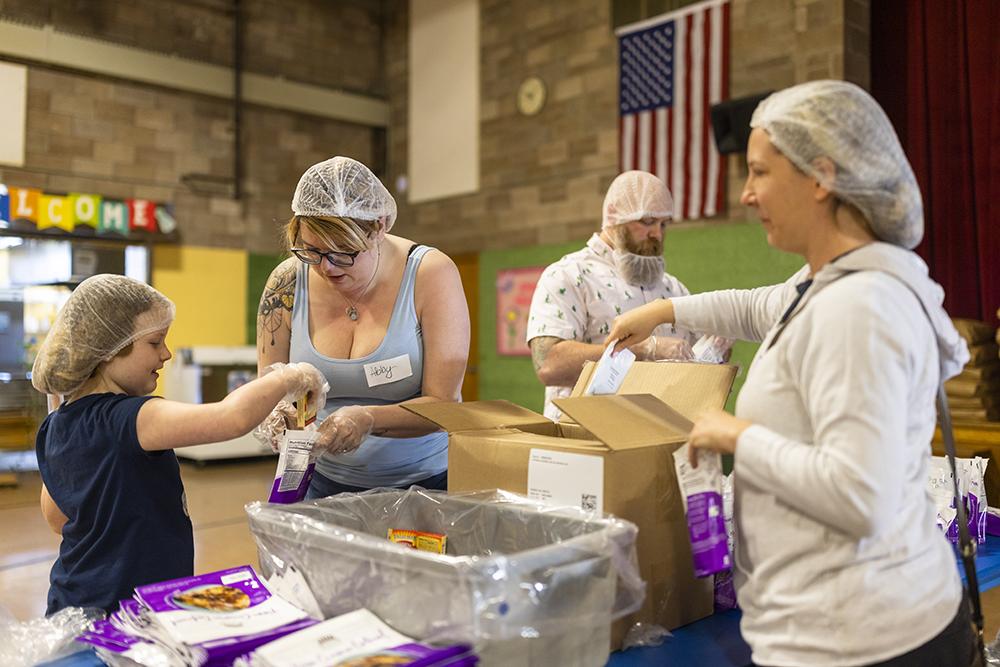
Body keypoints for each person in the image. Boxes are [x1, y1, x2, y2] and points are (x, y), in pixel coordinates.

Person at [607, 80, 974, 666]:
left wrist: (736, 435)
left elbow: (862, 497)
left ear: (821, 177)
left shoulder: (859, 307)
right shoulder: (825, 284)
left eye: (759, 172)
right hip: (836, 630)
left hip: (868, 642)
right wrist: (663, 310)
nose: (747, 195)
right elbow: (754, 306)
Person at [32, 274, 327, 615]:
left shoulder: (56, 424)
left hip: (73, 600)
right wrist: (289, 376)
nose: (167, 354)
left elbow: (57, 518)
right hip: (127, 609)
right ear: (111, 349)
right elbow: (229, 418)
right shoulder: (130, 418)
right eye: (155, 343)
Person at [255, 156, 469, 498]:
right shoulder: (287, 281)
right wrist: (276, 410)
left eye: (343, 252)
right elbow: (270, 382)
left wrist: (369, 418)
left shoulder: (431, 275)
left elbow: (445, 405)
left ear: (379, 226)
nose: (326, 268)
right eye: (311, 251)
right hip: (318, 480)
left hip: (421, 484)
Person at [527, 170, 701, 420]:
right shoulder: (569, 275)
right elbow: (549, 364)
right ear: (614, 217)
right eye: (648, 221)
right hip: (585, 439)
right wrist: (643, 350)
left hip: (657, 436)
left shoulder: (673, 288)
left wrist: (716, 348)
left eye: (664, 224)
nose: (657, 234)